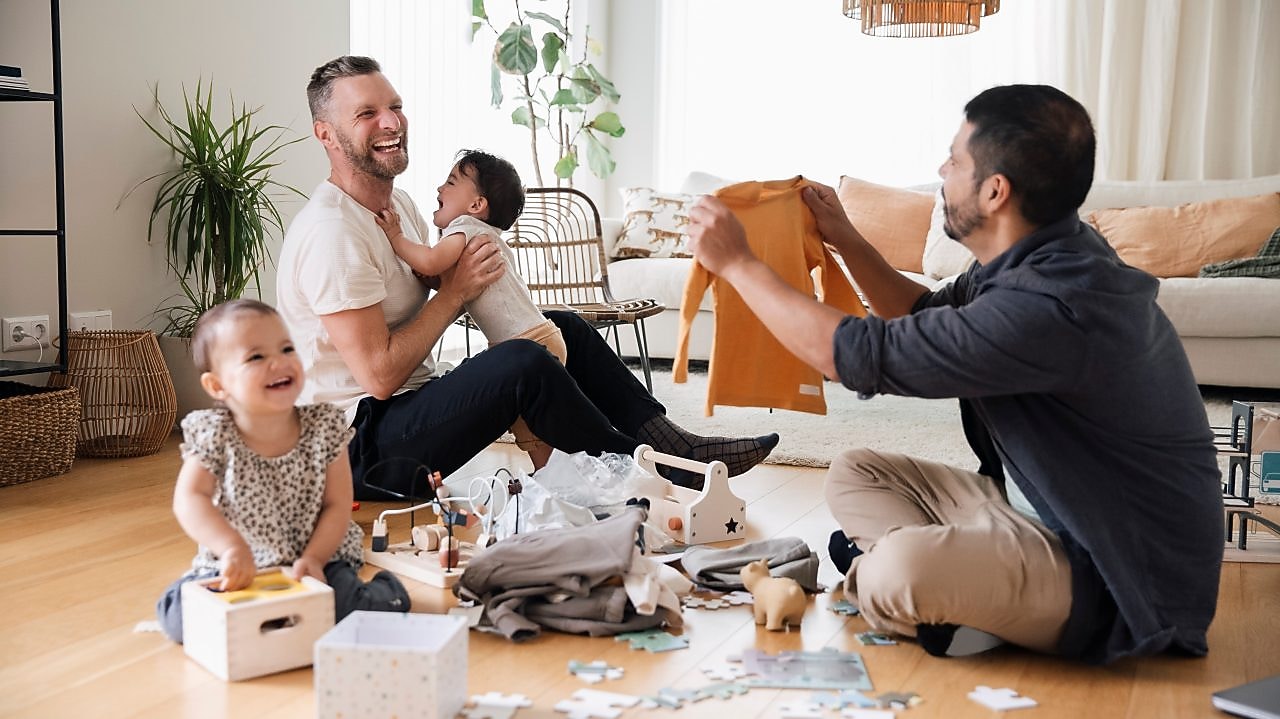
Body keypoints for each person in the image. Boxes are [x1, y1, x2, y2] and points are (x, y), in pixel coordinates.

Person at [686, 84, 1222, 665]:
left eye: (954, 159)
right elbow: (920, 312)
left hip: (1118, 575)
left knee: (900, 570)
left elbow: (853, 356)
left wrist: (738, 263)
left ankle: (921, 587)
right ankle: (960, 593)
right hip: (1045, 506)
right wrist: (844, 237)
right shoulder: (1047, 252)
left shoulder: (1051, 305)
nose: (941, 171)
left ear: (995, 191)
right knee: (854, 472)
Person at [277, 55, 778, 500]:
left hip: (405, 409)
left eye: (395, 106)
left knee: (563, 329)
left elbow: (434, 284)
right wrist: (456, 292)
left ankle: (671, 443)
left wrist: (472, 290)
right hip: (356, 448)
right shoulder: (332, 232)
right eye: (366, 113)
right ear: (326, 134)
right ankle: (646, 467)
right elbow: (380, 377)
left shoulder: (400, 207)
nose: (391, 121)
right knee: (523, 361)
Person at [155, 299, 409, 643]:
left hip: (315, 558)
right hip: (239, 562)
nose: (279, 362)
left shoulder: (323, 428)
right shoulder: (215, 433)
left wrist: (315, 558)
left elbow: (337, 505)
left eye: (287, 349)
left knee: (347, 610)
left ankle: (386, 590)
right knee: (179, 619)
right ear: (217, 386)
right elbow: (190, 499)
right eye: (256, 357)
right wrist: (230, 548)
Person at [374, 149, 562, 469]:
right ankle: (550, 472)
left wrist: (395, 236)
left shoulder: (465, 227)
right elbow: (454, 284)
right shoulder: (486, 236)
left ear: (476, 205)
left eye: (450, 183)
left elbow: (430, 261)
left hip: (526, 343)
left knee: (530, 420)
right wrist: (433, 280)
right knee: (532, 421)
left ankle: (553, 469)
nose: (439, 189)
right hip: (542, 334)